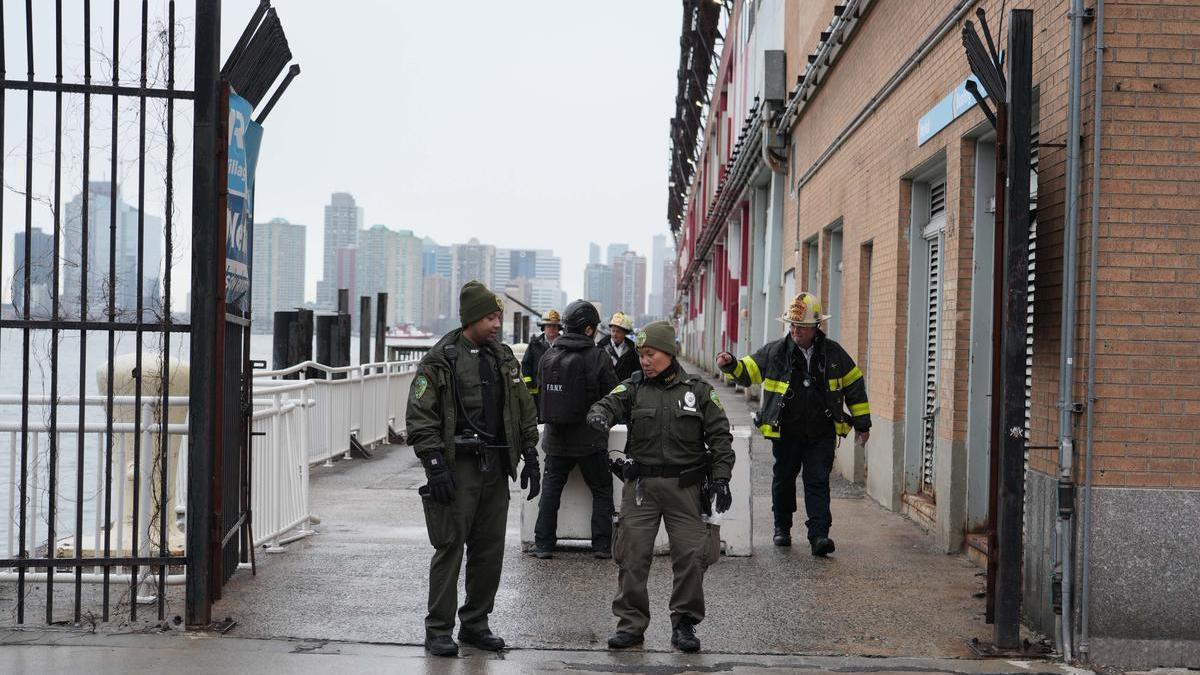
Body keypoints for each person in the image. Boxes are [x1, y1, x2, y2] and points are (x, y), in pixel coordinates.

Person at [406, 280, 542, 657]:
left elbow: (523, 407)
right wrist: (435, 466)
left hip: (495, 467)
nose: (497, 324)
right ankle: (438, 630)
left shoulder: (503, 358)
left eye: (498, 317)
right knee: (449, 548)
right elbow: (420, 417)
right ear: (471, 319)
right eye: (489, 317)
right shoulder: (440, 360)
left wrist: (530, 452)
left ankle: (476, 624)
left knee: (489, 552)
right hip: (457, 468)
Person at [588, 320, 734, 654]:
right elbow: (607, 404)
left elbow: (721, 438)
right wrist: (599, 416)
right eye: (641, 354)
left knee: (691, 558)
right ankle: (630, 625)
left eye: (651, 354)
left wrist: (722, 478)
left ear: (669, 353)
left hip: (686, 489)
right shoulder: (635, 387)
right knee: (631, 556)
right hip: (641, 488)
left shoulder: (697, 391)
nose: (644, 360)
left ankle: (684, 623)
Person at [716, 291, 870, 556]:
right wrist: (731, 364)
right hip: (786, 431)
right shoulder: (776, 351)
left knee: (818, 482)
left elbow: (854, 385)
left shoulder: (833, 353)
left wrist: (863, 423)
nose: (796, 330)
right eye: (793, 325)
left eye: (801, 326)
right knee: (784, 480)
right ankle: (782, 528)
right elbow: (748, 371)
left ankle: (819, 535)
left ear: (815, 327)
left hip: (821, 432)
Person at [529, 300, 619, 560]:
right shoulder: (598, 357)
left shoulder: (549, 355)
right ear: (589, 330)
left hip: (556, 439)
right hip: (590, 441)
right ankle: (602, 546)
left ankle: (544, 544)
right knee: (601, 491)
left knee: (550, 492)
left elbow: (540, 389)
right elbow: (612, 394)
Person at [520, 308, 562, 410]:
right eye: (548, 326)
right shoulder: (534, 345)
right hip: (538, 393)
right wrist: (530, 384)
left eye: (554, 326)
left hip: (559, 392)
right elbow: (526, 364)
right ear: (543, 328)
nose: (552, 328)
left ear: (558, 328)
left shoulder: (565, 346)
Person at [598, 311, 639, 381]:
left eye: (618, 332)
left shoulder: (633, 350)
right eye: (613, 331)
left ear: (625, 333)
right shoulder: (601, 347)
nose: (614, 334)